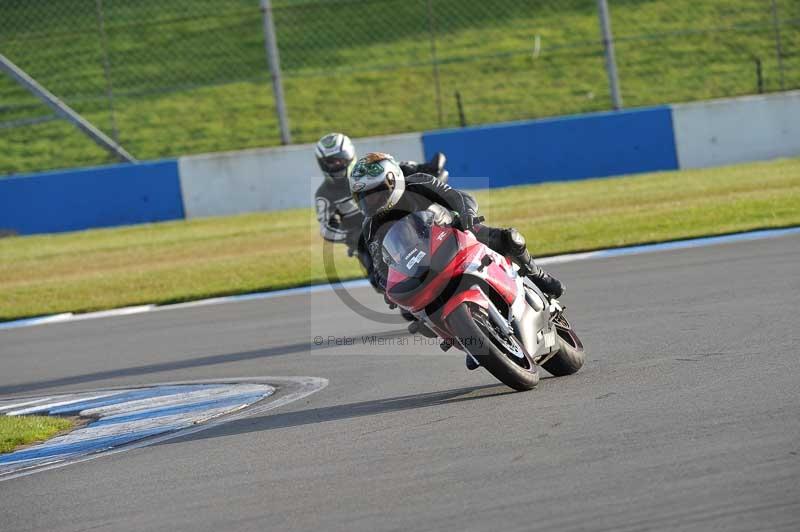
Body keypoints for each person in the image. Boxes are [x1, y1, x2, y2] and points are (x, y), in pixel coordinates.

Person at [350, 152, 565, 300]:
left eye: (374, 193)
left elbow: (458, 197)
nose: (370, 202)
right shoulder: (371, 226)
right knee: (416, 311)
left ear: (393, 180)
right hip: (420, 266)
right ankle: (472, 339)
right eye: (363, 197)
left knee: (508, 238)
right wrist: (388, 285)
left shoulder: (419, 183)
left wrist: (467, 216)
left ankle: (538, 275)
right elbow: (380, 269)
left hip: (455, 234)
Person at [313, 132, 447, 285]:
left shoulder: (368, 170)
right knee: (378, 277)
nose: (334, 165)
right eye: (329, 162)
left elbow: (398, 168)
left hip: (394, 217)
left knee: (421, 212)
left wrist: (428, 169)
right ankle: (393, 289)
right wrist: (349, 234)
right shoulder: (324, 194)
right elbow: (326, 228)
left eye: (338, 160)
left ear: (349, 155)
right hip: (364, 238)